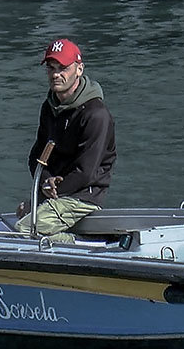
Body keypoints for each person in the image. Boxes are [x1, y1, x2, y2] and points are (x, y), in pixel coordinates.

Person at [15, 38, 116, 244]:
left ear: (79, 69)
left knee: (24, 229)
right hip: (57, 193)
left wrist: (51, 192)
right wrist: (45, 180)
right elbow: (37, 156)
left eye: (63, 68)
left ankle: (83, 243)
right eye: (51, 68)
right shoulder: (50, 107)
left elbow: (85, 173)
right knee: (21, 213)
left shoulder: (96, 115)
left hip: (83, 196)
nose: (55, 75)